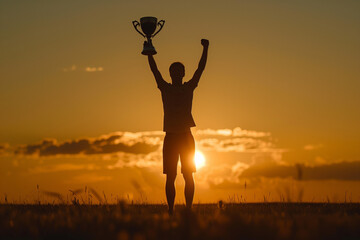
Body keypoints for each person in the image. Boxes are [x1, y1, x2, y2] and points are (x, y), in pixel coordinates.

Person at [147, 39, 209, 215]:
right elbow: (154, 70)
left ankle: (188, 210)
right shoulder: (164, 88)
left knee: (188, 175)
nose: (176, 73)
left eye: (179, 71)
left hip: (186, 137)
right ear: (170, 73)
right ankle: (171, 210)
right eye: (173, 71)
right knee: (171, 177)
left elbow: (201, 69)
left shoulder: (189, 88)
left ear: (183, 73)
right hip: (171, 137)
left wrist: (206, 49)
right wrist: (149, 53)